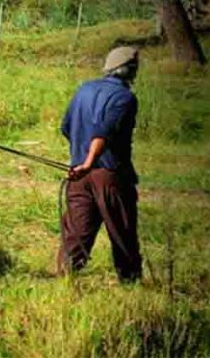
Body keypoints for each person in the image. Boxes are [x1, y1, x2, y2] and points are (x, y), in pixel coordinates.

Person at [57, 46, 143, 282]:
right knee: (122, 232)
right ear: (130, 71)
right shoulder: (125, 98)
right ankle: (130, 283)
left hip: (78, 176)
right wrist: (89, 161)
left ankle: (64, 279)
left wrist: (80, 159)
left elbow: (66, 127)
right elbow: (102, 133)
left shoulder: (85, 89)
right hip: (109, 175)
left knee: (76, 232)